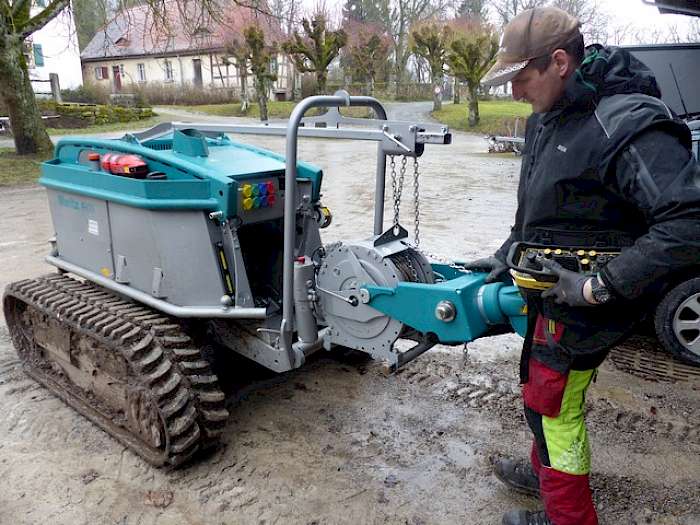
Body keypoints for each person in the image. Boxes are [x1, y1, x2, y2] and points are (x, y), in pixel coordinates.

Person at [464, 6, 700, 525]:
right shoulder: (548, 116)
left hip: (587, 305)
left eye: (521, 78)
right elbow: (545, 209)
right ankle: (543, 474)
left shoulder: (626, 123)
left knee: (553, 407)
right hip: (554, 296)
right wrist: (506, 253)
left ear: (559, 62)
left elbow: (688, 221)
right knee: (544, 395)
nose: (514, 92)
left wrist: (598, 287)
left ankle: (568, 518)